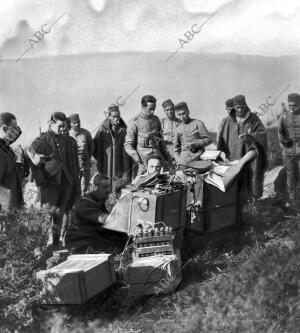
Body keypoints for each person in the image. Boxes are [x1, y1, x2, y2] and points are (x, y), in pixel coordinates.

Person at [36, 112, 80, 248]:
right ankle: (40, 247)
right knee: (47, 214)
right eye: (60, 126)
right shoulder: (42, 139)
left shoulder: (67, 140)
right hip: (50, 183)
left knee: (59, 214)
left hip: (66, 181)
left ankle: (56, 244)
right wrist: (41, 181)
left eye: (64, 126)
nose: (62, 129)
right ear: (51, 124)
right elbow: (35, 161)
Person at [217, 95, 268, 200]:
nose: (240, 110)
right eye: (237, 107)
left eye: (242, 107)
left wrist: (251, 136)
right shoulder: (228, 121)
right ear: (234, 107)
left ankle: (253, 202)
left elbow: (262, 133)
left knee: (250, 179)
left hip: (248, 155)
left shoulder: (253, 118)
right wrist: (222, 155)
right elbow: (222, 140)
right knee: (235, 182)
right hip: (233, 155)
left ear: (245, 105)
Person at [65, 173, 128, 253]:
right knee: (115, 245)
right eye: (105, 187)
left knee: (124, 237)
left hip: (93, 236)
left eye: (109, 187)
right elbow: (104, 219)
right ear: (93, 187)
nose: (108, 190)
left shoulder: (97, 201)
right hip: (79, 241)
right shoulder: (84, 203)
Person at [125, 95, 172, 177]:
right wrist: (138, 160)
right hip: (143, 162)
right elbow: (128, 146)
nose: (152, 112)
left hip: (158, 161)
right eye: (150, 109)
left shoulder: (156, 120)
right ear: (143, 107)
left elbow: (161, 143)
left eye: (154, 109)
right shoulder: (134, 122)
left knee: (165, 183)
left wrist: (168, 159)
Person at [93, 104, 130, 186]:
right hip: (106, 163)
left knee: (118, 185)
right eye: (114, 117)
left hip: (119, 163)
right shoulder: (102, 130)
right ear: (109, 117)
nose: (116, 119)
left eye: (118, 116)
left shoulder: (124, 131)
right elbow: (94, 146)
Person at [278, 93, 300, 209]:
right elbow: (280, 133)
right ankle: (293, 200)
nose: (292, 108)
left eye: (295, 105)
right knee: (290, 175)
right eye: (290, 105)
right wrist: (285, 142)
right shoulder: (284, 116)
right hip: (288, 152)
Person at [0, 112, 23, 208]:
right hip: (4, 204)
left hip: (11, 201)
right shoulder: (2, 150)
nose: (16, 134)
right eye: (13, 130)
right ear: (5, 129)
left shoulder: (5, 147)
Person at [68, 113, 93, 195]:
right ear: (70, 124)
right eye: (74, 123)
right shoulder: (66, 134)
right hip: (72, 168)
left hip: (85, 166)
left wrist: (87, 157)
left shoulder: (86, 133)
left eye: (78, 122)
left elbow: (91, 147)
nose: (77, 124)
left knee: (84, 189)